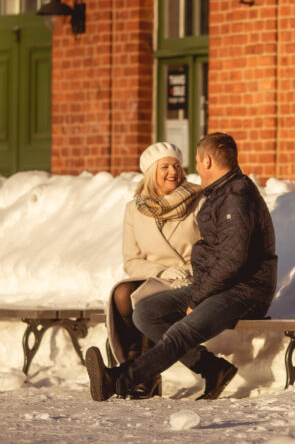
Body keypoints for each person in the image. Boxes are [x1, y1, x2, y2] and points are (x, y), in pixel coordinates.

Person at [86, 132, 278, 402]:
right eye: (166, 166)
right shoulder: (220, 193)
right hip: (217, 284)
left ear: (207, 161)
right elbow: (215, 255)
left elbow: (232, 259)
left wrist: (197, 296)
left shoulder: (234, 195)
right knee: (146, 312)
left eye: (193, 162)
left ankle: (119, 380)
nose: (189, 169)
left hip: (244, 290)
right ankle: (214, 369)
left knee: (181, 331)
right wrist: (189, 286)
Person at [105, 141, 202, 398]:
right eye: (165, 167)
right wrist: (160, 271)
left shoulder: (197, 201)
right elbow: (131, 260)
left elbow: (210, 248)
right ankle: (136, 367)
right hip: (156, 277)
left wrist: (188, 270)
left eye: (177, 166)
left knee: (143, 300)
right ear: (150, 172)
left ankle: (140, 375)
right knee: (122, 294)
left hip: (189, 278)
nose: (174, 172)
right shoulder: (134, 210)